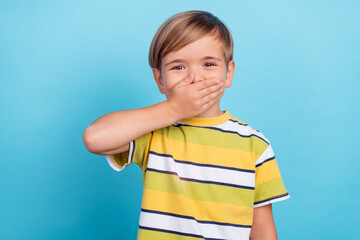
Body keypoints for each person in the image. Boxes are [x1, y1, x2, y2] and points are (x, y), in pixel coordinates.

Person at [83, 10, 290, 240]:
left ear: (228, 73)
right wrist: (173, 109)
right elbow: (95, 138)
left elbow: (263, 231)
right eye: (178, 67)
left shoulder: (255, 146)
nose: (194, 77)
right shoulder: (154, 134)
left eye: (209, 64)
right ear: (160, 80)